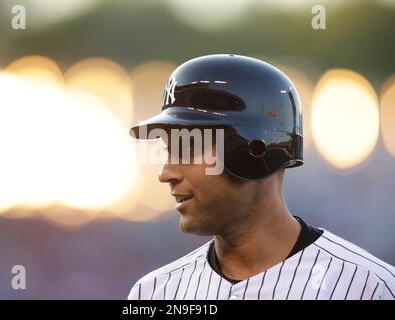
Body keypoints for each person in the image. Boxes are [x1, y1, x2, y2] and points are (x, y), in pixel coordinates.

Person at [127, 54, 395, 300]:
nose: (166, 174)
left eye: (188, 150)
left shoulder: (369, 287)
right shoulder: (153, 293)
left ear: (254, 150)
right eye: (167, 151)